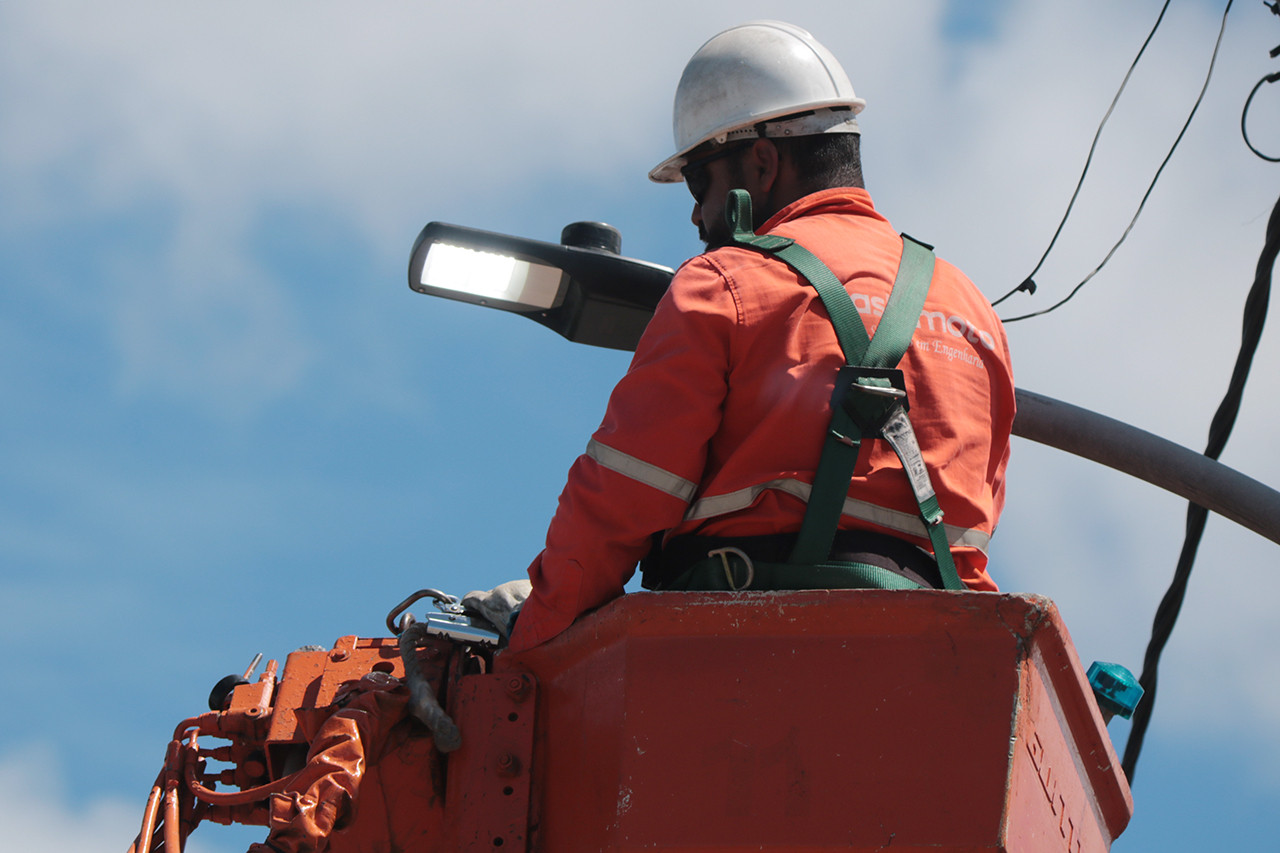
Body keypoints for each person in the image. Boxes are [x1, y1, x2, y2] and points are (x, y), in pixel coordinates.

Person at [505, 20, 1014, 653]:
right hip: (929, 664)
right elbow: (972, 541)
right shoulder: (971, 310)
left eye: (700, 186)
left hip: (745, 660)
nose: (696, 216)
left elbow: (622, 497)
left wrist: (532, 639)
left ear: (763, 162)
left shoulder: (723, 283)